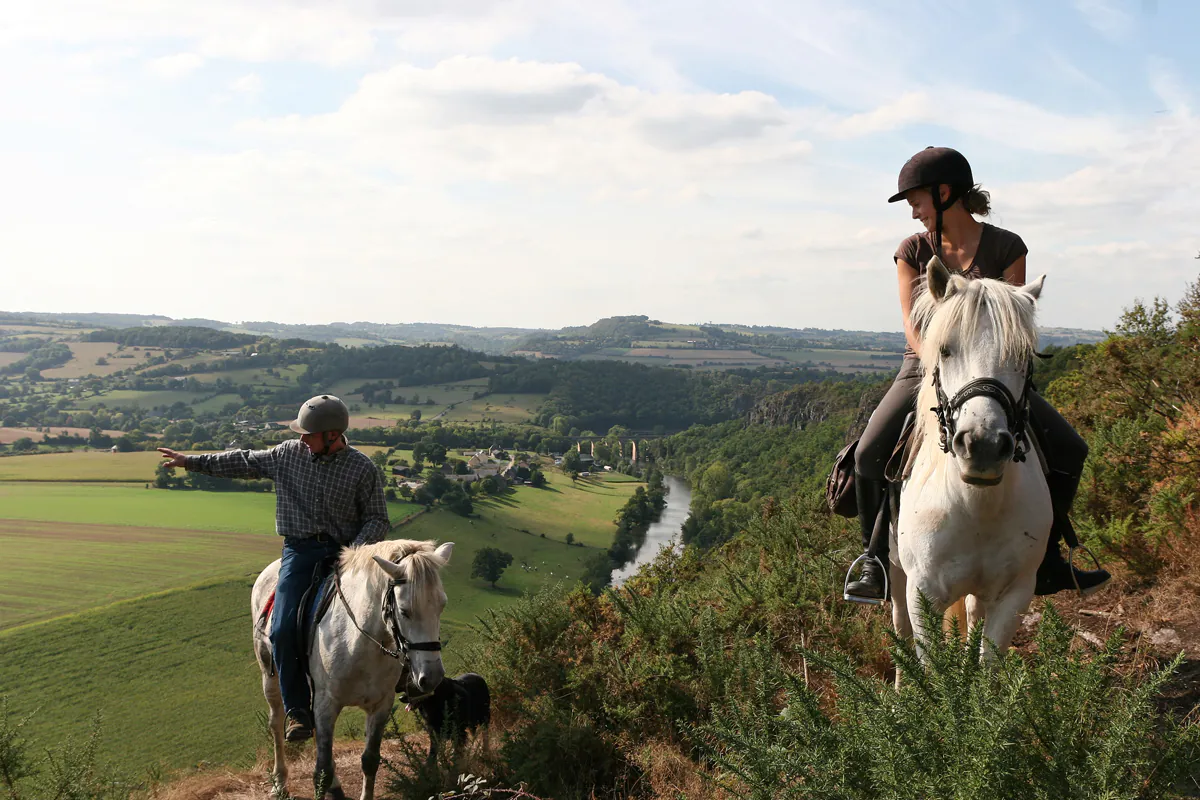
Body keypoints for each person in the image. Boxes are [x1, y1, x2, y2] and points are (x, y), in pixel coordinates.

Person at [843, 146, 1111, 602]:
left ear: (944, 194)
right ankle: (873, 560)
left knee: (1070, 448)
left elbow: (1016, 321)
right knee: (869, 451)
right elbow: (913, 328)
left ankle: (1047, 556)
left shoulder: (1008, 247)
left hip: (996, 374)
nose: (914, 213)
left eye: (917, 202)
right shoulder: (913, 251)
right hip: (929, 366)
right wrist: (938, 358)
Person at [158, 394, 389, 741]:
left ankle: (405, 679)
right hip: (300, 552)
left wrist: (354, 553)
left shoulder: (362, 468)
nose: (301, 438)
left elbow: (377, 519)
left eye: (307, 433)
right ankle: (298, 711)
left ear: (331, 435)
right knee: (280, 630)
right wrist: (190, 462)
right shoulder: (287, 455)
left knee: (394, 608)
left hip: (347, 554)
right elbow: (242, 462)